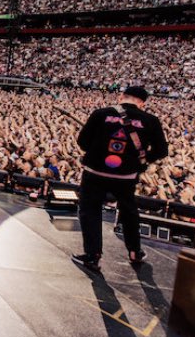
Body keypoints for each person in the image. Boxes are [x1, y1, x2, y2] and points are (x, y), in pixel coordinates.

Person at [72, 85, 168, 272]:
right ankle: (135, 251)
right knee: (129, 211)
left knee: (90, 211)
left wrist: (98, 151)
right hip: (126, 176)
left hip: (95, 172)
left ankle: (93, 256)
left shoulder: (101, 114)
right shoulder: (150, 120)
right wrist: (142, 159)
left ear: (121, 96)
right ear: (142, 103)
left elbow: (82, 142)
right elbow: (162, 150)